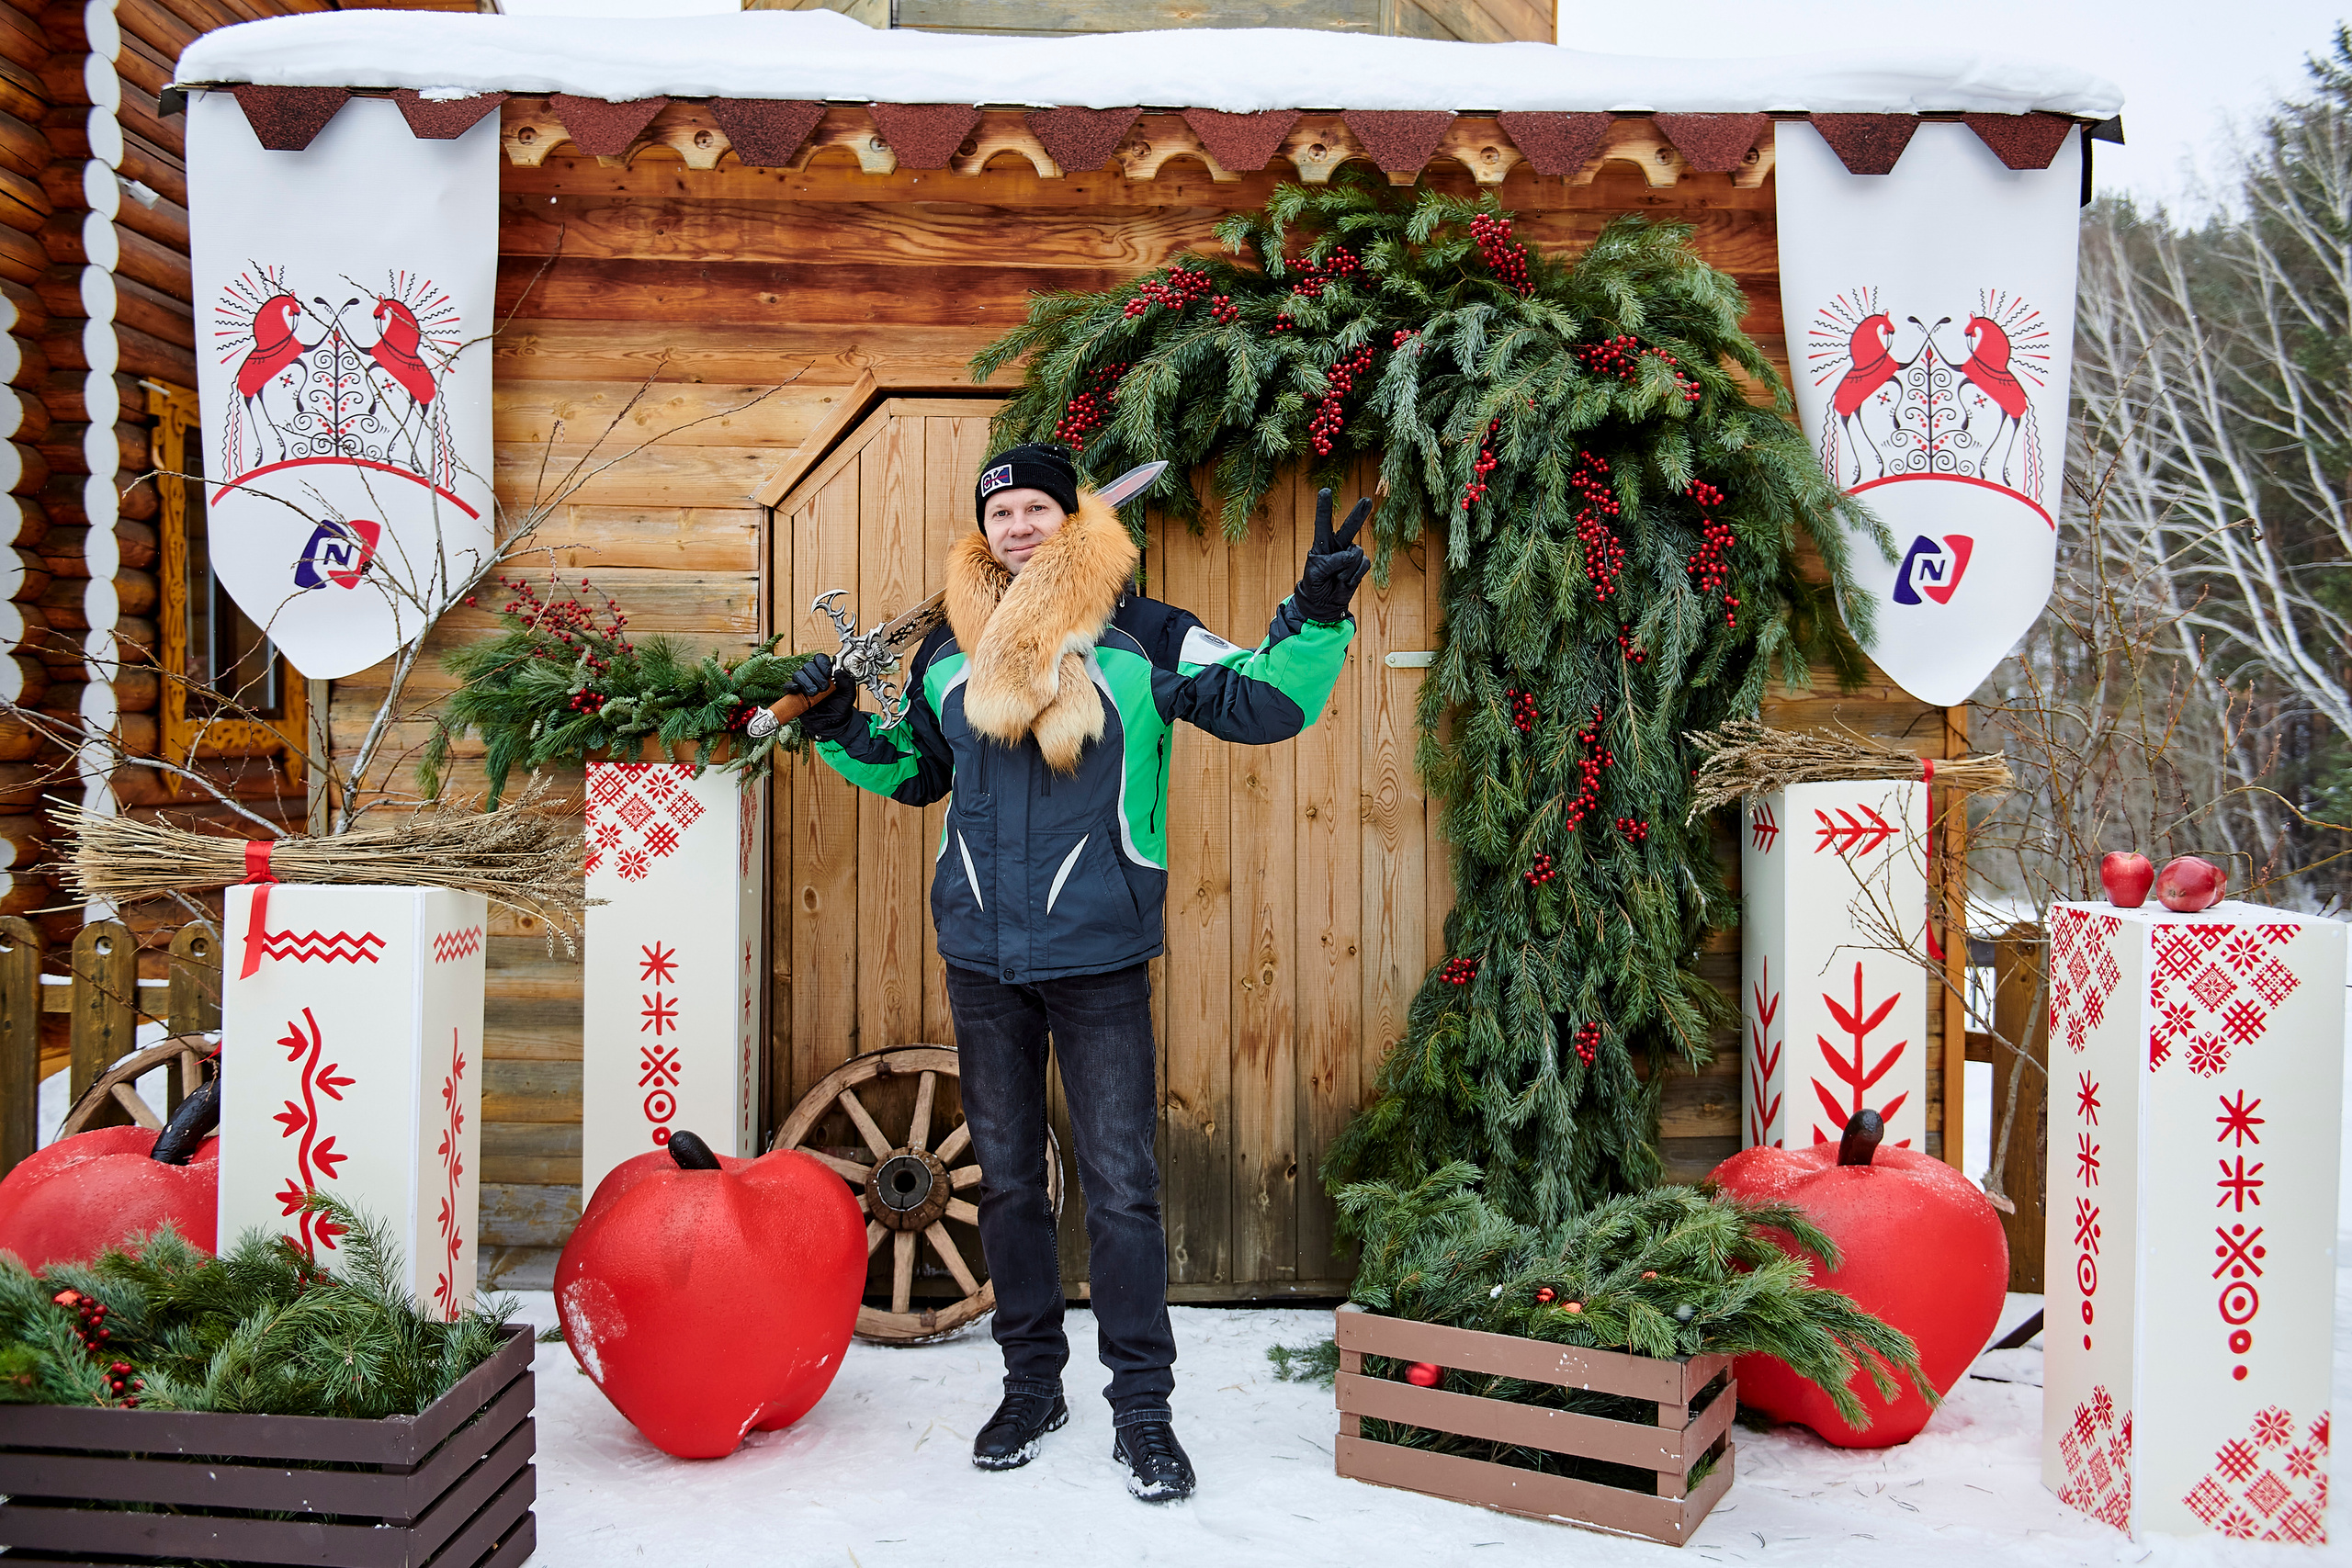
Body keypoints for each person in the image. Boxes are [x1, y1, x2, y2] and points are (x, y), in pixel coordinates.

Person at [783, 442, 1368, 1503]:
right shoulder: (951, 654)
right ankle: (1030, 1386)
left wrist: (1314, 618)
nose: (1016, 525)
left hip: (1097, 958)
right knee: (1007, 1185)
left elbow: (1261, 703)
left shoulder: (1144, 635)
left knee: (1124, 1193)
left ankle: (1143, 1412)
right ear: (983, 531)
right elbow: (918, 771)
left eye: (1036, 507)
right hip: (982, 957)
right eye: (998, 512)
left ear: (1072, 519)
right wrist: (834, 727)